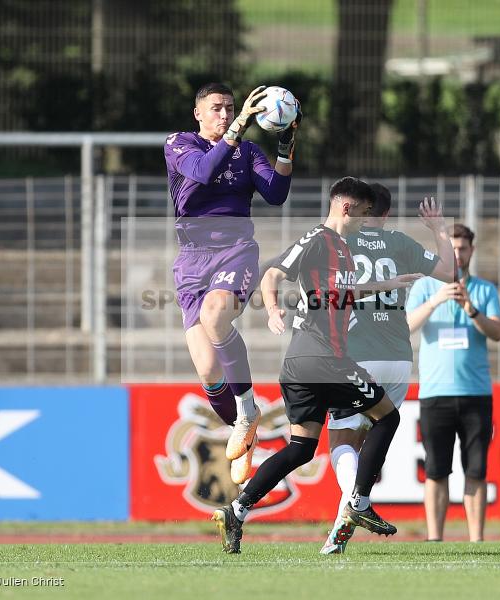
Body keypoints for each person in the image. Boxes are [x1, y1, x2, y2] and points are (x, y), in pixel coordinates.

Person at [212, 177, 417, 554]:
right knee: (388, 417)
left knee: (302, 448)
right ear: (346, 208)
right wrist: (273, 309)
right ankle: (358, 502)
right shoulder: (318, 239)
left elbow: (343, 293)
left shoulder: (341, 250)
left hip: (301, 366)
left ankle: (236, 511)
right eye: (363, 214)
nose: (364, 223)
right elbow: (273, 273)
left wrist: (386, 283)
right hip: (324, 358)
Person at [163, 82, 300, 485]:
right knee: (207, 370)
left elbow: (276, 194)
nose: (225, 115)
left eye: (231, 108)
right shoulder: (179, 143)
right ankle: (247, 420)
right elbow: (203, 172)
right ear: (198, 114)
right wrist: (238, 127)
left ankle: (246, 411)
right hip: (191, 261)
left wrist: (286, 149)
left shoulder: (247, 151)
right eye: (217, 109)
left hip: (235, 250)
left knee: (216, 313)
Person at [319, 183, 455, 554]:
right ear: (387, 214)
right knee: (367, 445)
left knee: (341, 439)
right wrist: (439, 230)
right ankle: (338, 533)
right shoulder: (400, 243)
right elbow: (448, 270)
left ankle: (354, 502)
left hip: (357, 353)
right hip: (398, 357)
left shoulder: (339, 239)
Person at [407, 224, 500, 542]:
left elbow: (497, 332)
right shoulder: (423, 288)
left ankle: (476, 539)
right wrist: (436, 300)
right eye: (452, 248)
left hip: (476, 394)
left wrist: (470, 308)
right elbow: (405, 326)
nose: (457, 254)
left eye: (463, 248)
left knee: (476, 470)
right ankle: (435, 538)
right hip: (435, 393)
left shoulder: (485, 290)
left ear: (472, 251)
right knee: (436, 470)